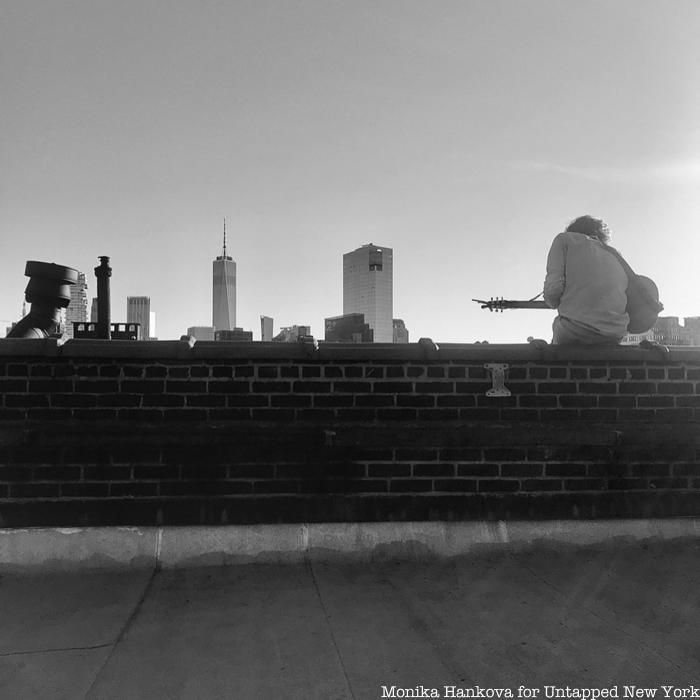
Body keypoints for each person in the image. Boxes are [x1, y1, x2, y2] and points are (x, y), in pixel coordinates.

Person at [543, 215, 629, 345]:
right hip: (615, 335)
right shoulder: (615, 254)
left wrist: (556, 301)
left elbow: (553, 292)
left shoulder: (564, 240)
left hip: (575, 332)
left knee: (557, 331)